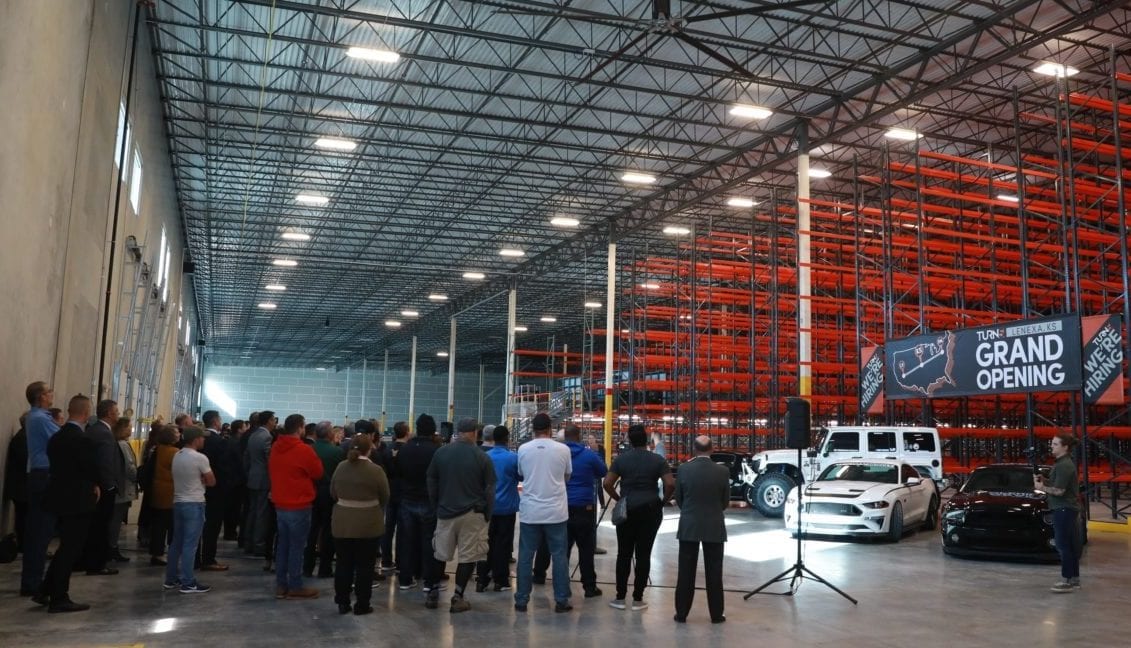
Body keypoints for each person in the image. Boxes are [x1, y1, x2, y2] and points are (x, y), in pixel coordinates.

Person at [35, 394, 100, 613]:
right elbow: (91, 468)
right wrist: (96, 485)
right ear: (86, 413)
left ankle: (45, 589)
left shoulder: (57, 437)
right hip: (78, 500)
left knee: (66, 546)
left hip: (58, 496)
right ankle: (59, 597)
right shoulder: (83, 440)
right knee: (71, 549)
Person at [426, 418, 495, 613]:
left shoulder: (441, 452)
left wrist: (436, 504)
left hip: (445, 511)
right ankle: (458, 596)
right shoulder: (481, 456)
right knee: (468, 556)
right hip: (472, 514)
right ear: (474, 433)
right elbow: (490, 488)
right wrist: (488, 513)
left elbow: (431, 478)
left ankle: (432, 592)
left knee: (440, 553)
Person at [603, 423, 674, 611]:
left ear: (629, 440)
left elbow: (607, 483)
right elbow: (670, 483)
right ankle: (637, 598)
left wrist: (620, 499)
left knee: (624, 554)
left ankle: (619, 598)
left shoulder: (621, 460)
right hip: (651, 510)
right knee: (644, 554)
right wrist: (662, 500)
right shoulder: (658, 460)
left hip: (627, 510)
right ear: (647, 439)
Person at [533, 423, 607, 597]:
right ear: (579, 436)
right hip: (584, 508)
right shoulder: (589, 455)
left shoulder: (556, 455)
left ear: (564, 437)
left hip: (561, 507)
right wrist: (596, 452)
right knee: (586, 550)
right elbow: (603, 471)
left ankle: (562, 586)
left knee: (562, 550)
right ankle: (589, 587)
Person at [514, 413, 573, 613]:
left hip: (530, 510)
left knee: (525, 556)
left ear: (533, 429)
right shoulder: (563, 449)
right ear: (551, 429)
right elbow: (567, 476)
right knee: (559, 556)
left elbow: (521, 474)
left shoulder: (523, 449)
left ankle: (521, 600)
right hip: (556, 511)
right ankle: (561, 599)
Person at [331, 433, 390, 615]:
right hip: (368, 523)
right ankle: (362, 604)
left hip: (342, 522)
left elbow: (333, 492)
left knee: (343, 564)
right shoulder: (376, 470)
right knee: (365, 566)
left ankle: (342, 601)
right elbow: (385, 496)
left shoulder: (341, 467)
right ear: (370, 449)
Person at [673, 436, 730, 623]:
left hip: (689, 525)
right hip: (714, 525)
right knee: (714, 571)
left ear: (694, 450)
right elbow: (725, 502)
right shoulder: (722, 471)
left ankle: (681, 613)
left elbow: (679, 498)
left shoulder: (683, 469)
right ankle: (716, 614)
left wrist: (689, 511)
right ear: (712, 449)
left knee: (685, 572)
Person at [269, 413, 324, 599]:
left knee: (283, 545)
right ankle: (295, 585)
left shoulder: (276, 446)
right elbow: (317, 472)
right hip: (299, 504)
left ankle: (281, 584)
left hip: (280, 503)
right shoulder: (304, 450)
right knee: (297, 547)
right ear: (301, 428)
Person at [165, 426, 216, 594]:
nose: (204, 440)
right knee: (190, 545)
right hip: (194, 503)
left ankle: (171, 579)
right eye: (202, 437)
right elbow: (211, 481)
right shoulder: (200, 458)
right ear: (195, 440)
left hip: (178, 502)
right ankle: (188, 582)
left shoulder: (177, 455)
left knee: (176, 543)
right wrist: (202, 479)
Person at [20, 381, 59, 597]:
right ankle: (33, 583)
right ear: (40, 397)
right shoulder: (39, 419)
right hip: (43, 476)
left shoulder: (40, 417)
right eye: (48, 392)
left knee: (40, 531)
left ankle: (33, 579)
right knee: (40, 532)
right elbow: (61, 439)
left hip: (41, 475)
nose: (51, 394)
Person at [396, 414, 443, 594]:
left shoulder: (405, 449)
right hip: (428, 500)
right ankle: (429, 581)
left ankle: (406, 578)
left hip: (407, 499)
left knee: (407, 540)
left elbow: (398, 471)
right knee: (428, 540)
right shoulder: (436, 450)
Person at [1034, 432, 1083, 593]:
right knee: (1069, 544)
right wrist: (1045, 480)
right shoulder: (1062, 463)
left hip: (1063, 508)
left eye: (1055, 444)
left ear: (1065, 447)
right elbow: (1058, 485)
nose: (1052, 446)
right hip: (1065, 508)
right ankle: (1073, 578)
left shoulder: (1064, 465)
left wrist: (1043, 488)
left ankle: (1067, 580)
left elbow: (1060, 491)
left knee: (1062, 544)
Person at [80, 399, 121, 576]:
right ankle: (96, 563)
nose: (118, 414)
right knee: (100, 525)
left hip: (95, 485)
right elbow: (105, 463)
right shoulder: (103, 433)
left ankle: (88, 560)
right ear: (109, 414)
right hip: (103, 488)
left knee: (94, 525)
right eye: (116, 411)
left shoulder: (95, 430)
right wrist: (110, 485)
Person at [476, 425, 518, 592]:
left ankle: (481, 579)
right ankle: (500, 580)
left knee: (485, 543)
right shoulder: (513, 458)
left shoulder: (484, 457)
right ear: (507, 439)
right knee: (503, 544)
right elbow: (521, 476)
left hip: (488, 508)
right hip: (506, 507)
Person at [198, 410, 238, 572]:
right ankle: (208, 559)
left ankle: (195, 559)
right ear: (216, 421)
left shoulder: (199, 441)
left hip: (198, 489)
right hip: (216, 489)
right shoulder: (219, 442)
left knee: (197, 526)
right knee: (212, 526)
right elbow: (224, 468)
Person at [306, 420, 344, 578]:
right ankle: (325, 568)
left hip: (311, 493)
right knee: (328, 531)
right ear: (330, 434)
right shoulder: (336, 452)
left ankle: (306, 567)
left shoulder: (308, 450)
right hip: (329, 494)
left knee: (311, 530)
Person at [379, 421, 409, 576]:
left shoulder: (387, 449)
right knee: (402, 529)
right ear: (407, 432)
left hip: (389, 490)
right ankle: (400, 562)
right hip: (404, 492)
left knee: (388, 527)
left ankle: (385, 560)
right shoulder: (408, 450)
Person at [244, 411, 275, 556]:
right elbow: (269, 460)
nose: (275, 422)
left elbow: (247, 458)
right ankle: (259, 545)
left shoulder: (253, 435)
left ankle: (248, 542)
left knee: (252, 511)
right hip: (263, 479)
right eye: (274, 420)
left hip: (252, 477)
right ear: (269, 421)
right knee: (262, 514)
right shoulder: (267, 436)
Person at [149, 425, 181, 565]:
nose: (179, 434)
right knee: (170, 526)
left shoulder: (157, 449)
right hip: (170, 492)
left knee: (158, 525)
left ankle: (157, 552)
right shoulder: (174, 452)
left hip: (157, 490)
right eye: (177, 433)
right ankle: (168, 552)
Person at [108, 416, 137, 563]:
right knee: (116, 520)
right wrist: (137, 477)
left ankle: (111, 546)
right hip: (124, 487)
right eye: (129, 426)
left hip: (120, 486)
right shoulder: (123, 445)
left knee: (115, 519)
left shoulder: (117, 443)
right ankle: (112, 547)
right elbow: (129, 466)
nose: (131, 429)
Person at [4, 413, 29, 554]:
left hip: (23, 486)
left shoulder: (24, 437)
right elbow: (26, 461)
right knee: (23, 518)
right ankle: (23, 546)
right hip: (21, 487)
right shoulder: (22, 438)